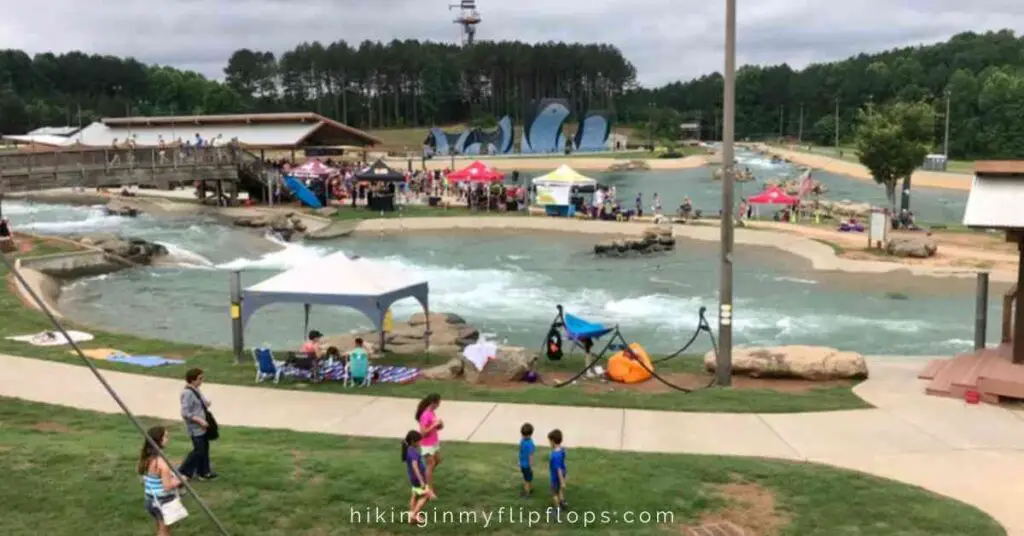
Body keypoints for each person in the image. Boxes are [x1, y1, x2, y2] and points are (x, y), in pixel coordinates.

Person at [139, 425, 185, 536]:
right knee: (164, 531)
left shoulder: (148, 458)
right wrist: (181, 480)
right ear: (158, 440)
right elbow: (167, 486)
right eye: (165, 436)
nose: (167, 439)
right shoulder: (161, 463)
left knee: (161, 527)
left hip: (150, 499)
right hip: (162, 502)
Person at [179, 368, 217, 481]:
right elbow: (185, 413)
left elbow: (203, 403)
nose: (202, 381)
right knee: (199, 450)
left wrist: (207, 403)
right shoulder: (187, 393)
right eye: (200, 379)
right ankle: (182, 471)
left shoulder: (197, 390)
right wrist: (199, 420)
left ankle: (204, 472)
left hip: (203, 426)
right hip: (195, 428)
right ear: (192, 380)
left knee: (204, 449)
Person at [401, 430, 434, 523]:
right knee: (426, 496)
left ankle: (411, 515)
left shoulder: (408, 449)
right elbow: (415, 467)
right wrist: (422, 481)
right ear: (412, 441)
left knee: (414, 495)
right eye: (419, 441)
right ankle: (413, 515)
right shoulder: (413, 453)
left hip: (412, 478)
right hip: (417, 478)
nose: (420, 442)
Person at [415, 393, 443, 494]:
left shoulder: (432, 412)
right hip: (427, 445)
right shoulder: (425, 415)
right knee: (430, 465)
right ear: (433, 403)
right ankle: (429, 489)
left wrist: (440, 425)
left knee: (438, 460)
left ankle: (425, 474)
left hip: (434, 442)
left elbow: (436, 427)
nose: (439, 405)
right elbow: (423, 433)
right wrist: (433, 425)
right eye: (438, 402)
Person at [548, 428, 568, 511]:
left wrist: (562, 481)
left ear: (553, 441)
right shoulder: (562, 450)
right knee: (560, 490)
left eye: (549, 441)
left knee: (554, 493)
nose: (549, 443)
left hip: (556, 477)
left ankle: (557, 509)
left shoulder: (554, 455)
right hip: (563, 473)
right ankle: (562, 502)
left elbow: (558, 469)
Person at [518, 422, 536, 497]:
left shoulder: (523, 441)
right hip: (526, 465)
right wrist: (531, 465)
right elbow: (530, 455)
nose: (523, 436)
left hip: (524, 464)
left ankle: (527, 493)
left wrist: (520, 461)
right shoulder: (530, 443)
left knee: (526, 480)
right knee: (527, 479)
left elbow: (522, 452)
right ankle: (528, 490)